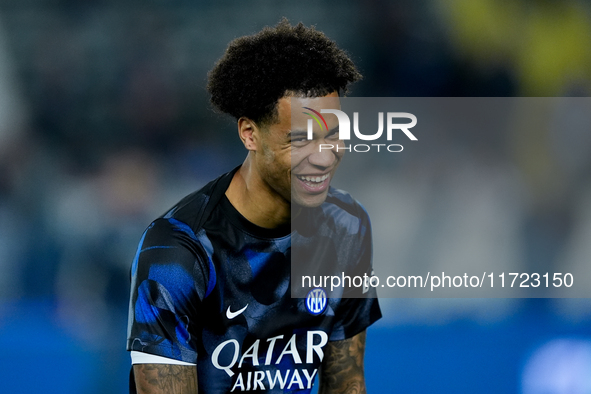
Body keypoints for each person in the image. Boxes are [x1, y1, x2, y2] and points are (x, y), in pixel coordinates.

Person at [127, 19, 381, 393]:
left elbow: (347, 384)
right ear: (249, 133)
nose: (324, 157)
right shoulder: (178, 252)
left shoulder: (346, 227)